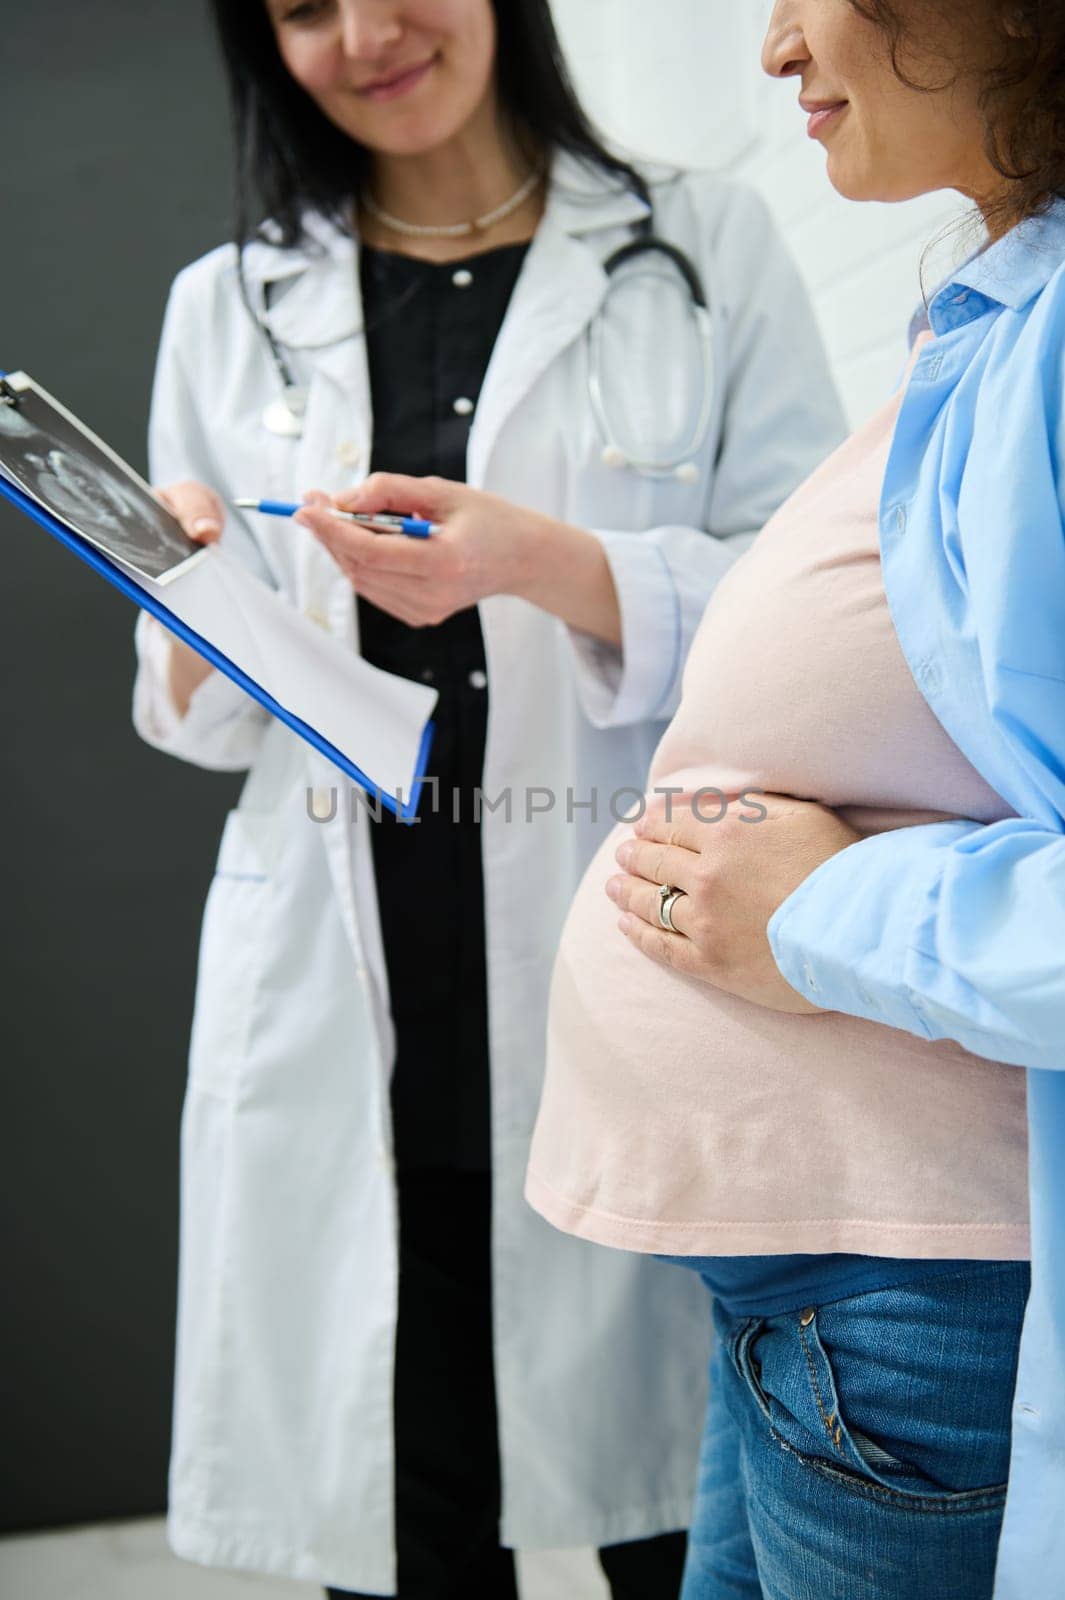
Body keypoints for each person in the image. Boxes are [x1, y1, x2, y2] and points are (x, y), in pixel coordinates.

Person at [131, 1, 844, 1595]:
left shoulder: (698, 244)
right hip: (356, 980)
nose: (367, 34)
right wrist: (183, 601)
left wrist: (550, 565)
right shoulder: (228, 304)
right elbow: (195, 718)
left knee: (687, 1515)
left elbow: (812, 606)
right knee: (404, 1507)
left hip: (622, 945)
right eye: (305, 8)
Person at [527, 2, 1065, 1597]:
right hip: (820, 1279)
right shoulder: (996, 303)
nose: (771, 49)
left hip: (921, 1291)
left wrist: (819, 910)